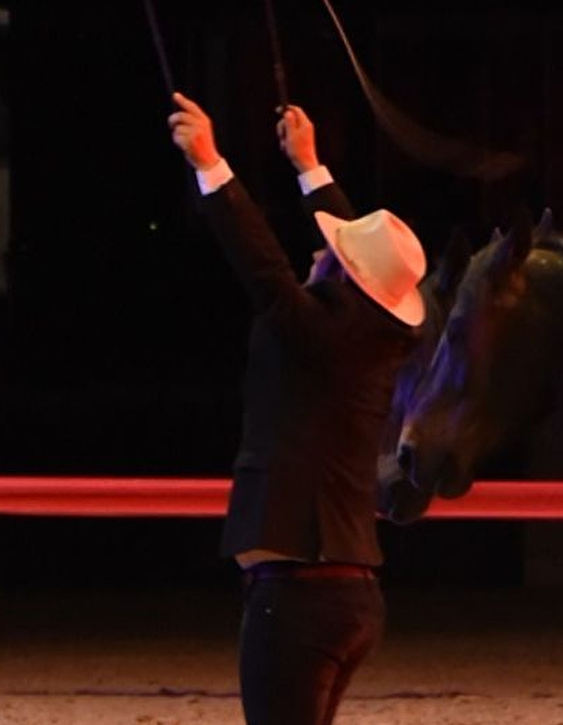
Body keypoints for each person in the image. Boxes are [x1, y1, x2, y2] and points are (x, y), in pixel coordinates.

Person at [166, 91, 427, 725]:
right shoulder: (374, 340)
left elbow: (262, 267)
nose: (318, 248)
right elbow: (352, 265)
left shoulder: (315, 333)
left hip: (298, 601)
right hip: (350, 596)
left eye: (329, 252)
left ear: (343, 280)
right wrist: (309, 166)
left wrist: (211, 163)